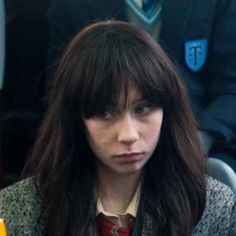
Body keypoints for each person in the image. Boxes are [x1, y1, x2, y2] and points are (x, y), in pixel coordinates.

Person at [0, 20, 235, 235]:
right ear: (75, 119)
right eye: (105, 113)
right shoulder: (16, 213)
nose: (128, 135)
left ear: (168, 111)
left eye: (142, 110)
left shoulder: (213, 209)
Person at [47, 0, 236, 171]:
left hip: (202, 141)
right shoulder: (71, 5)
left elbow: (231, 86)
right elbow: (63, 92)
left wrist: (197, 139)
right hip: (104, 151)